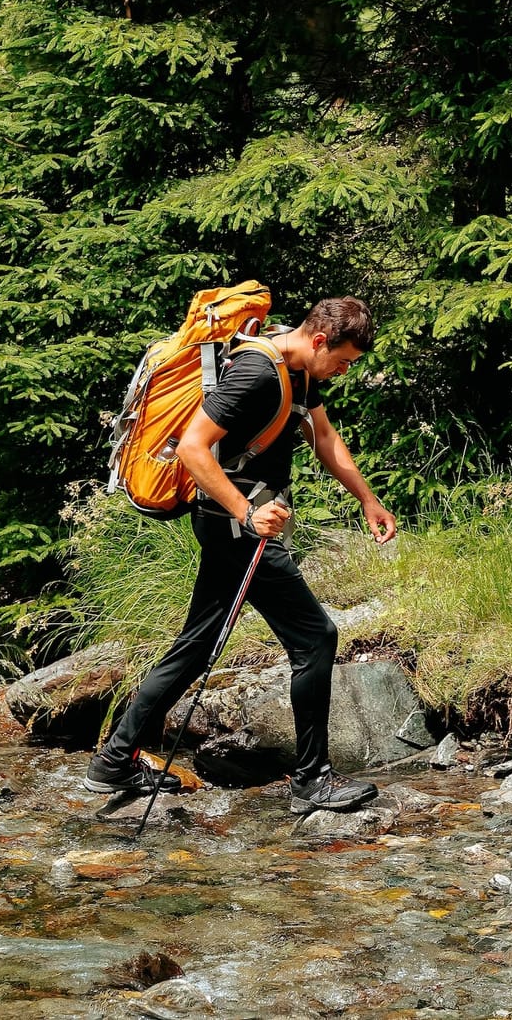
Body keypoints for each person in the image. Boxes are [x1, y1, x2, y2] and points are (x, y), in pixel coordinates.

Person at [85, 296, 399, 812]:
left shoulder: (298, 370)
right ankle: (312, 780)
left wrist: (368, 500)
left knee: (197, 643)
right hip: (237, 528)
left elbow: (322, 436)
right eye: (343, 361)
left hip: (232, 525)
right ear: (319, 339)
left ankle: (115, 760)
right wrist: (247, 513)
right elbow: (192, 447)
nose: (343, 372)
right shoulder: (257, 371)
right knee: (315, 637)